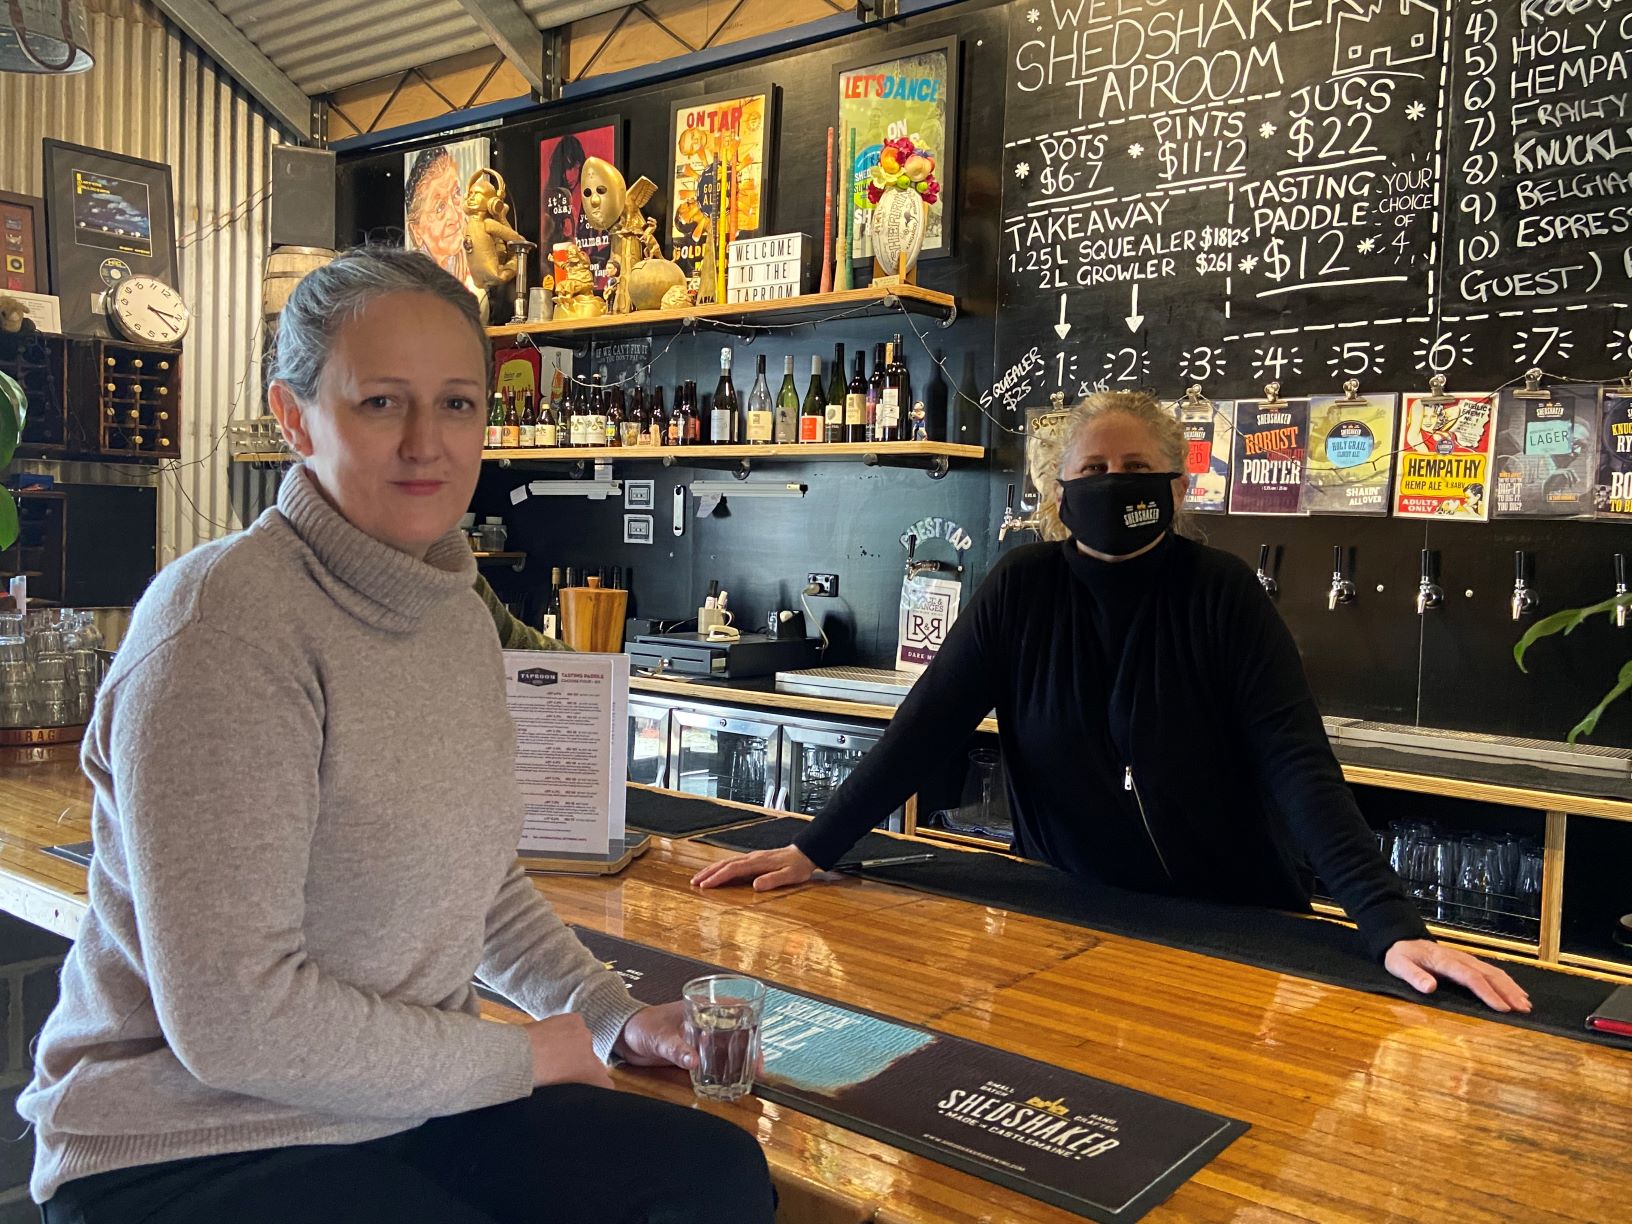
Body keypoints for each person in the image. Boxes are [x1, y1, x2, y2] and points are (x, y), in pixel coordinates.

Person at [20, 246, 775, 1223]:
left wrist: (610, 1018)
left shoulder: (454, 613)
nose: (428, 442)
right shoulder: (220, 627)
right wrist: (523, 1055)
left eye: (457, 402)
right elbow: (237, 1023)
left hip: (404, 1109)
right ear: (294, 418)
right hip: (186, 1143)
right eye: (381, 402)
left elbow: (483, 889)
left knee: (712, 1180)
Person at [695, 390, 1531, 1015]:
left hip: (1229, 922)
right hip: (1066, 914)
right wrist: (816, 848)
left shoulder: (1222, 593)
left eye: (1135, 471)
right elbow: (923, 730)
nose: (1113, 485)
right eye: (1092, 471)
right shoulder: (1023, 587)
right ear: (1058, 493)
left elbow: (1298, 766)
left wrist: (1390, 925)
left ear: (1175, 485)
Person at [405, 145, 472, 290]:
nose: (454, 216)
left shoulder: (471, 265)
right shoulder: (411, 285)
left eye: (456, 194)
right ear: (416, 230)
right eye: (439, 207)